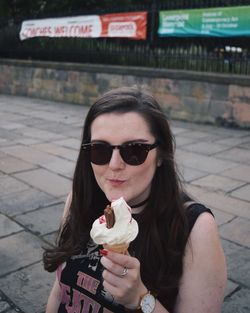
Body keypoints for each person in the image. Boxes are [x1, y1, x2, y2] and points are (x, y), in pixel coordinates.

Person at [43, 86, 227, 313]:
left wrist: (140, 299)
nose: (114, 165)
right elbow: (60, 289)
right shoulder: (79, 200)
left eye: (134, 150)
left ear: (160, 155)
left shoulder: (195, 228)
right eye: (100, 150)